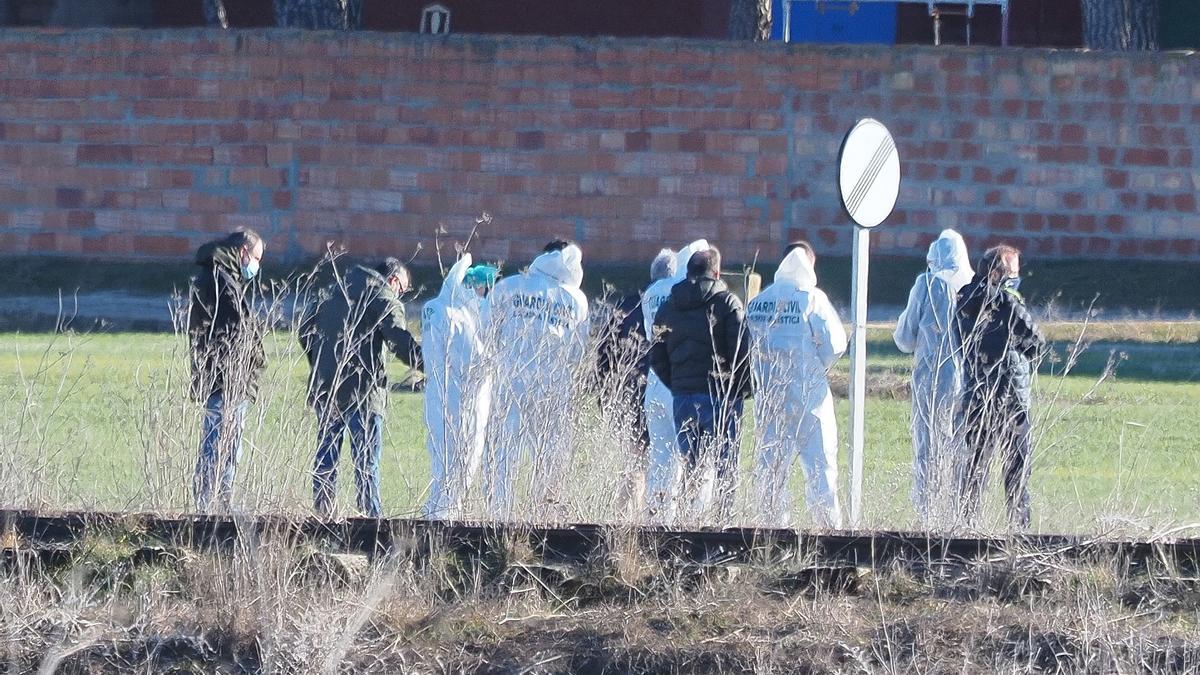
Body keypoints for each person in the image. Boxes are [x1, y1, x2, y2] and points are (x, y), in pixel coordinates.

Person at [299, 257, 424, 519]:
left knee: (326, 457)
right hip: (363, 391)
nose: (400, 293)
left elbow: (304, 329)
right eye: (402, 288)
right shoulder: (382, 296)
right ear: (393, 280)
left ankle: (323, 515)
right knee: (366, 461)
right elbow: (398, 339)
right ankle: (369, 519)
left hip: (326, 387)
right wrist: (428, 363)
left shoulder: (334, 288)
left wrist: (321, 362)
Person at [484, 240, 589, 519]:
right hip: (553, 388)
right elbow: (577, 351)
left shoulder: (509, 286)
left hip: (510, 381)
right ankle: (546, 519)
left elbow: (486, 333)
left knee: (504, 453)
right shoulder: (576, 300)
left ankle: (499, 518)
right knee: (550, 455)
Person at [746, 242, 847, 528]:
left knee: (771, 469)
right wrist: (818, 366)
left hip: (770, 396)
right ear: (809, 265)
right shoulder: (812, 299)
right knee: (821, 467)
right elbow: (836, 344)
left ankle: (771, 532)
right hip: (809, 396)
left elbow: (747, 345)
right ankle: (827, 533)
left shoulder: (759, 302)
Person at [649, 246, 751, 521]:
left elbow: (656, 355)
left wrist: (677, 384)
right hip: (720, 397)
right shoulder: (728, 304)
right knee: (725, 467)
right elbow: (741, 352)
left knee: (690, 466)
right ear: (716, 272)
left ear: (688, 271)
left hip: (683, 397)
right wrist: (740, 390)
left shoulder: (668, 306)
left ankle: (685, 523)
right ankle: (722, 523)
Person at [954, 244, 1046, 529]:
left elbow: (959, 345)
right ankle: (1018, 532)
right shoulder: (1008, 302)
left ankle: (966, 528)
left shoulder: (964, 301)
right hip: (1011, 401)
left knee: (974, 470)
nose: (1017, 279)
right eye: (1014, 273)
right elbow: (1036, 344)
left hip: (976, 396)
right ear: (997, 273)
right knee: (1016, 471)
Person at [893, 229, 974, 527]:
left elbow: (904, 337)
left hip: (932, 380)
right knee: (961, 450)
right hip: (967, 382)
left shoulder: (926, 284)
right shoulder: (973, 284)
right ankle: (959, 518)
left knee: (928, 449)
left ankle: (928, 518)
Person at [188, 229, 266, 513]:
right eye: (256, 258)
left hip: (220, 373)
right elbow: (239, 327)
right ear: (243, 251)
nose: (257, 266)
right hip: (227, 376)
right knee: (222, 446)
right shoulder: (222, 279)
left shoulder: (216, 275)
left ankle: (214, 504)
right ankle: (213, 507)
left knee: (223, 444)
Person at [639, 239, 709, 523]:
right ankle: (696, 522)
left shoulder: (654, 291)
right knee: (698, 460)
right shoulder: (696, 293)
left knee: (661, 458)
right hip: (685, 385)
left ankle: (656, 522)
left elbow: (649, 332)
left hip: (656, 384)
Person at [421, 254, 491, 519]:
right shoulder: (456, 316)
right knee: (459, 463)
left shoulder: (436, 308)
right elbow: (474, 362)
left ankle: (441, 514)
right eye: (480, 289)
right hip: (459, 401)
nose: (482, 296)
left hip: (440, 398)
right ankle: (442, 517)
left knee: (444, 463)